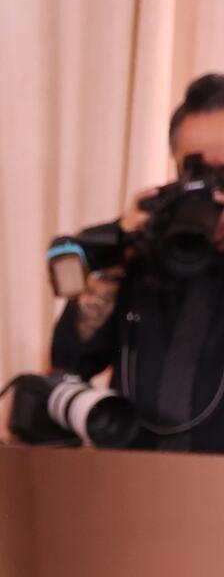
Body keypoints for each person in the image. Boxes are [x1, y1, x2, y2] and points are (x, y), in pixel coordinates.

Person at [50, 73, 224, 455]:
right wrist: (116, 254)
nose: (210, 188)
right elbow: (70, 358)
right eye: (196, 170)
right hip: (140, 485)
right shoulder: (145, 251)